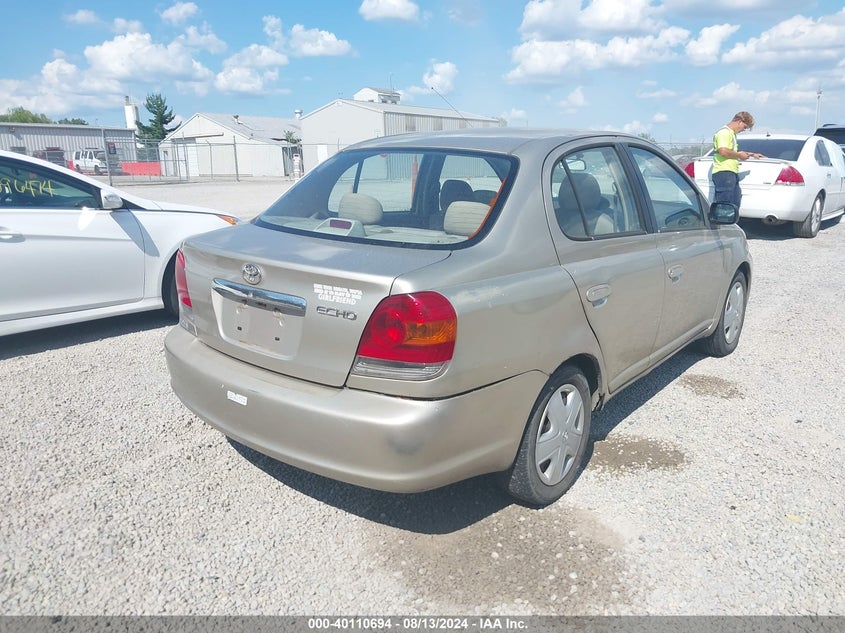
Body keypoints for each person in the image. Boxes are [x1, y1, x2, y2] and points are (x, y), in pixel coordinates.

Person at [712, 111, 764, 210]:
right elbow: (723, 151)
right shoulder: (724, 133)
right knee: (725, 205)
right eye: (745, 127)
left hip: (730, 173)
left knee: (734, 203)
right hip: (724, 173)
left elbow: (731, 151)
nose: (744, 130)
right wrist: (739, 155)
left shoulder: (731, 134)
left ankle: (730, 219)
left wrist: (752, 154)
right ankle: (723, 219)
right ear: (740, 121)